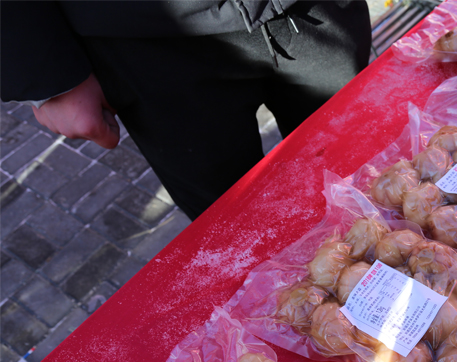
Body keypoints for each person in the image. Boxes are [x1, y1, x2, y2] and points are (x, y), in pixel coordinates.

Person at [1, 0, 372, 220]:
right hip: (142, 39)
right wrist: (44, 75)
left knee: (365, 174)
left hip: (314, 8)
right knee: (233, 224)